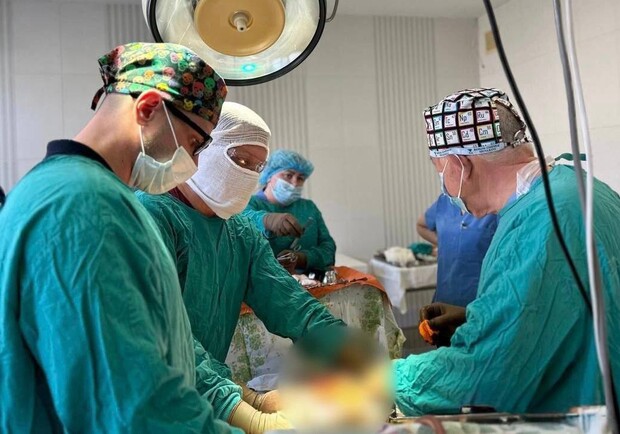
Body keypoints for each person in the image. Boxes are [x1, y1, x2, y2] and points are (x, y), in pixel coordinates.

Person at [0, 42, 241, 433]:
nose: (195, 163)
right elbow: (132, 410)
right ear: (147, 109)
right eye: (196, 143)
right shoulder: (83, 206)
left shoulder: (68, 190)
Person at [394, 88, 620, 415]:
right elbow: (561, 307)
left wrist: (387, 378)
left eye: (440, 172)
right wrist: (483, 317)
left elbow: (487, 375)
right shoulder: (577, 186)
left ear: (460, 165)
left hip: (584, 408)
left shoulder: (540, 219)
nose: (445, 189)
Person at [135, 102, 346, 433]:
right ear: (201, 148)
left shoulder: (239, 231)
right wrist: (239, 406)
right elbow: (162, 336)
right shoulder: (150, 216)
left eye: (257, 166)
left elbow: (288, 302)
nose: (248, 173)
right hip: (148, 401)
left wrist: (345, 347)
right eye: (241, 160)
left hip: (201, 394)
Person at [243, 149, 336, 273]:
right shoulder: (247, 203)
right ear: (269, 176)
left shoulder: (308, 208)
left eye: (300, 178)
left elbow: (328, 248)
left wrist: (302, 258)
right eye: (288, 175)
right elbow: (241, 223)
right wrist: (266, 220)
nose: (294, 183)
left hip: (307, 281)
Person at [417, 194, 498, 308]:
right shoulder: (445, 201)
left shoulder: (495, 204)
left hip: (479, 301)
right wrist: (447, 244)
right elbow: (421, 225)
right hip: (445, 296)